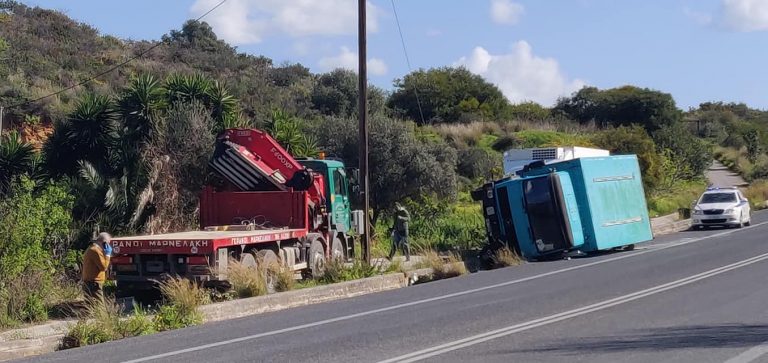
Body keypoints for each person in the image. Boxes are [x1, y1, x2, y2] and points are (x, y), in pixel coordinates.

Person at [81, 232, 112, 305]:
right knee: (100, 308)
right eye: (107, 244)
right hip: (94, 284)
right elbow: (104, 267)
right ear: (104, 243)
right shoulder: (95, 251)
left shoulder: (91, 249)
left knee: (90, 307)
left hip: (90, 283)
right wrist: (108, 255)